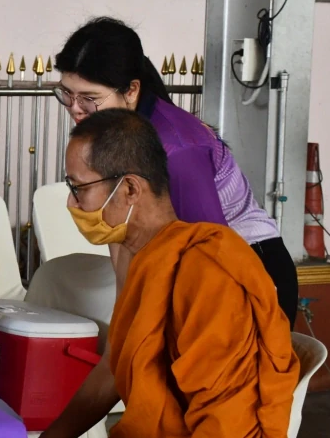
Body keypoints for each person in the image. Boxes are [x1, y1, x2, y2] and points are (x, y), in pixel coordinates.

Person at [32, 109, 299, 438]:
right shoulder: (145, 259)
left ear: (131, 189)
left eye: (78, 187)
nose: (72, 202)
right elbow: (112, 372)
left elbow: (230, 411)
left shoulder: (206, 265)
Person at [53, 17, 299, 325]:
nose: (75, 108)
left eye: (90, 99)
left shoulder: (178, 148)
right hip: (189, 275)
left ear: (131, 90)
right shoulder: (114, 133)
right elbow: (122, 238)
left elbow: (212, 253)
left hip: (249, 276)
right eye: (66, 94)